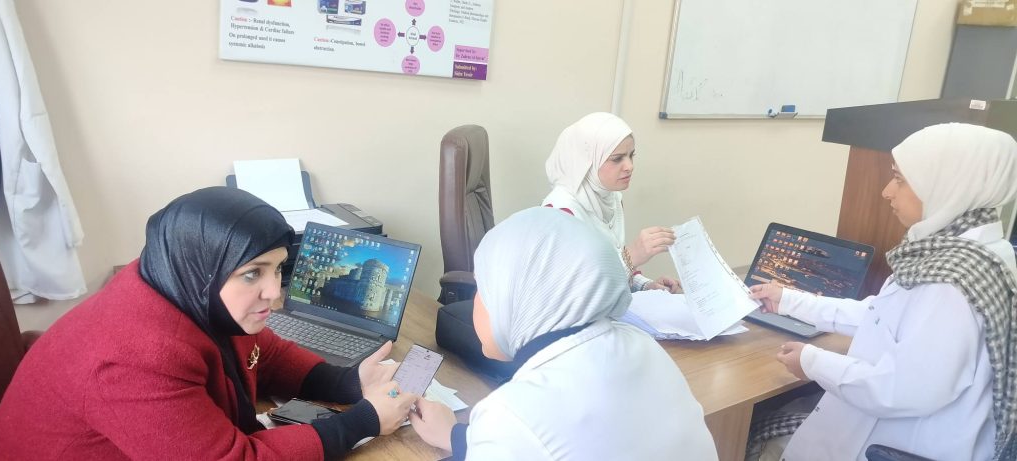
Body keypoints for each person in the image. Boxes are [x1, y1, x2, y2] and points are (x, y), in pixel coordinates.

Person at [0, 187, 419, 460]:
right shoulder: (132, 359)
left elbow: (265, 353)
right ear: (200, 269)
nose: (274, 292)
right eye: (252, 274)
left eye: (278, 269)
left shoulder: (181, 285)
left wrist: (348, 383)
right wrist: (361, 422)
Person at [749, 123, 1017, 460]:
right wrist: (789, 300)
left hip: (896, 444)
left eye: (900, 179)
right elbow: (883, 316)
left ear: (947, 186)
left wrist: (813, 362)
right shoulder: (975, 251)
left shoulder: (951, 281)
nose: (887, 192)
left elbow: (903, 390)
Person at [408, 207, 718, 460]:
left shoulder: (509, 415)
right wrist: (460, 438)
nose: (476, 301)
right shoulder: (644, 347)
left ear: (518, 300)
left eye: (483, 288)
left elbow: (528, 434)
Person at [542, 112, 680, 292]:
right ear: (587, 162)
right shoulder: (560, 213)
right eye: (617, 159)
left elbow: (617, 263)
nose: (629, 166)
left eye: (631, 155)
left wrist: (645, 285)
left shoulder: (611, 197)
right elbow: (573, 292)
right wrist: (633, 255)